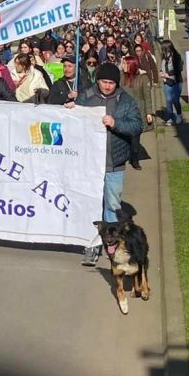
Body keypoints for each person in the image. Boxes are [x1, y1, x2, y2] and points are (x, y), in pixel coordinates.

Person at [68, 61, 143, 267]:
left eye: (111, 82)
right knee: (91, 203)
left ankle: (112, 246)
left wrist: (116, 123)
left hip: (114, 163)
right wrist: (70, 110)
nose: (107, 86)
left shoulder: (125, 101)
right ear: (97, 80)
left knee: (111, 205)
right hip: (89, 162)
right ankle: (91, 246)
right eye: (104, 81)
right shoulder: (86, 96)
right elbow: (72, 122)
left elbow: (137, 125)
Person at [120, 55, 155, 169]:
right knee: (123, 138)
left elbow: (147, 96)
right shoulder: (121, 77)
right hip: (123, 112)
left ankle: (134, 160)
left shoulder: (142, 78)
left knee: (135, 140)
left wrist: (149, 113)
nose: (123, 65)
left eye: (125, 63)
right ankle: (123, 157)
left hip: (137, 113)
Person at [159, 39, 184, 125]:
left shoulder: (176, 56)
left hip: (176, 81)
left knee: (175, 100)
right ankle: (169, 118)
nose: (162, 51)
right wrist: (161, 72)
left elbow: (179, 69)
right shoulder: (164, 57)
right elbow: (163, 67)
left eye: (163, 49)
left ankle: (179, 114)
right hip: (167, 82)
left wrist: (167, 74)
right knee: (168, 100)